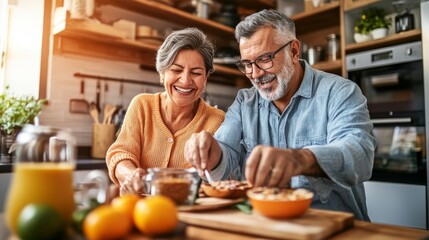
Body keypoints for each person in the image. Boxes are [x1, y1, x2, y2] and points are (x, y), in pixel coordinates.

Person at [184, 9, 377, 221]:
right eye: (247, 64)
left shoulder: (340, 92)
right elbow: (226, 151)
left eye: (265, 59)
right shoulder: (244, 101)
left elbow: (359, 156)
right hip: (268, 226)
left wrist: (301, 159)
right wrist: (212, 154)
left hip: (335, 227)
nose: (256, 74)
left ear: (294, 51)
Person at [106, 28, 225, 195]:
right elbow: (121, 153)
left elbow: (210, 177)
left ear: (205, 79)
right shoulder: (142, 105)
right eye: (176, 70)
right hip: (140, 212)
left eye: (196, 73)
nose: (185, 80)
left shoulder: (217, 121)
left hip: (188, 214)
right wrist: (130, 175)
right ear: (162, 73)